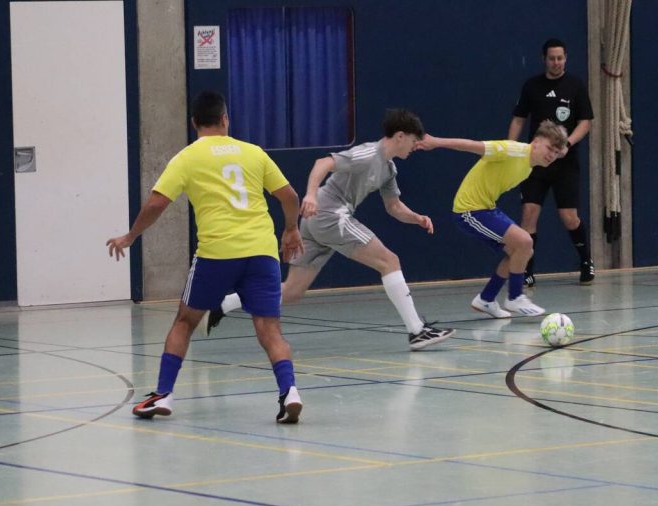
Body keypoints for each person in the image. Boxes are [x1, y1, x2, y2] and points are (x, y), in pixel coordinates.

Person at [106, 90, 307, 423]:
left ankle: (164, 394)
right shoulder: (253, 153)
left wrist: (131, 236)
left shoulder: (187, 157)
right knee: (269, 328)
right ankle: (289, 392)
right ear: (225, 119)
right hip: (261, 251)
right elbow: (289, 195)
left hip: (217, 253)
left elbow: (157, 203)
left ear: (194, 123)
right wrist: (291, 230)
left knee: (185, 321)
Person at [205, 109, 454, 351]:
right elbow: (323, 163)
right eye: (413, 140)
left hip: (317, 221)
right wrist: (311, 195)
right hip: (330, 214)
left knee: (291, 291)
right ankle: (416, 330)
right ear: (400, 136)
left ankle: (224, 303)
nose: (415, 145)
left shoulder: (389, 169)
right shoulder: (367, 154)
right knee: (389, 261)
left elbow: (394, 206)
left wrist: (416, 218)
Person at [416, 121, 569, 318]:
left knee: (521, 251)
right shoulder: (512, 150)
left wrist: (561, 146)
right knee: (525, 242)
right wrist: (436, 142)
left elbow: (560, 149)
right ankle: (515, 297)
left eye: (556, 152)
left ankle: (486, 299)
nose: (552, 155)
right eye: (549, 148)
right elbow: (473, 145)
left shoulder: (530, 164)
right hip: (469, 210)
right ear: (536, 141)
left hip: (486, 208)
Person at [508, 37, 595, 287]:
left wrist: (568, 144)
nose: (556, 62)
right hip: (535, 163)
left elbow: (586, 122)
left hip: (564, 164)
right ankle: (526, 270)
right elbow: (518, 119)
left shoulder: (575, 86)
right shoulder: (532, 86)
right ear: (544, 59)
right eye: (552, 58)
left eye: (560, 58)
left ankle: (586, 261)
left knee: (569, 217)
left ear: (566, 58)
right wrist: (510, 148)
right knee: (529, 213)